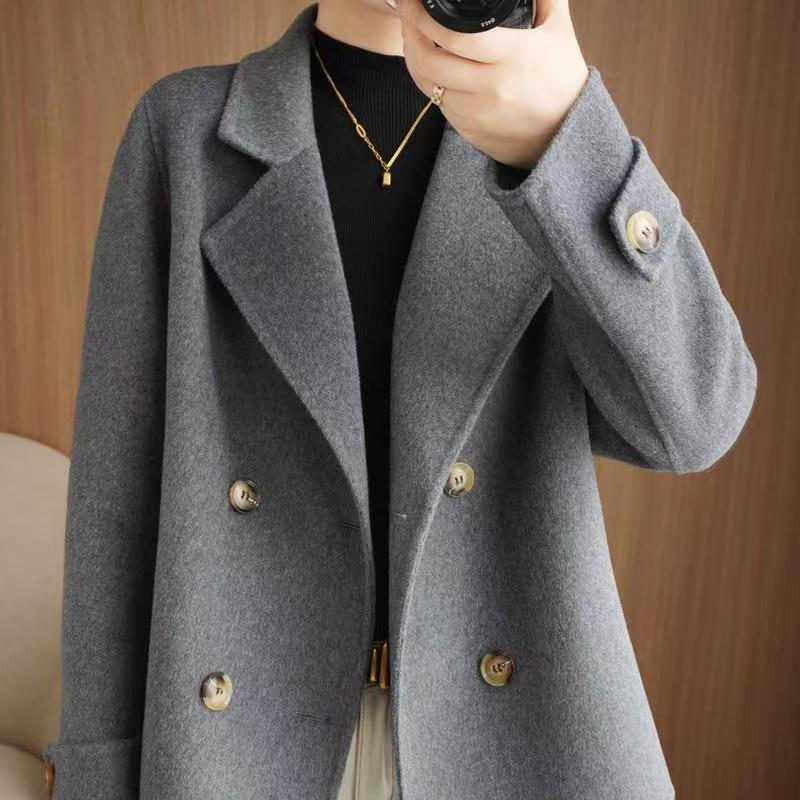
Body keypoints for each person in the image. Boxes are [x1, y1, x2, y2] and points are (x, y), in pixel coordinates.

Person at [42, 1, 757, 798]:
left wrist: (567, 142)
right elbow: (115, 507)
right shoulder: (184, 135)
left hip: (513, 747)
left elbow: (695, 420)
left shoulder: (547, 135)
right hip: (239, 747)